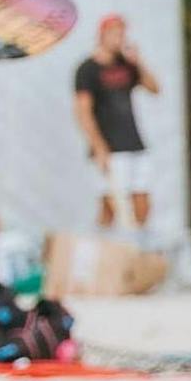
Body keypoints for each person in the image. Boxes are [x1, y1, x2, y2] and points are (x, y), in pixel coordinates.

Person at [74, 13, 162, 243]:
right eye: (115, 33)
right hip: (110, 147)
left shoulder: (127, 65)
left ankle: (138, 250)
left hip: (134, 143)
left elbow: (155, 88)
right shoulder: (88, 69)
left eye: (122, 33)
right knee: (111, 205)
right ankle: (97, 253)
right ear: (102, 35)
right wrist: (98, 147)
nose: (119, 38)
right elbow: (83, 111)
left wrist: (138, 62)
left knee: (142, 202)